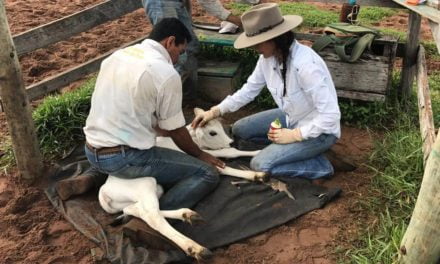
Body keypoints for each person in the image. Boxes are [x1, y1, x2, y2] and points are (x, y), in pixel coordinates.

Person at [56, 18, 225, 210]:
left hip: (92, 150)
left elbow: (146, 117)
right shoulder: (166, 73)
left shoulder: (117, 56)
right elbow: (176, 130)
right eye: (180, 51)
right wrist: (200, 154)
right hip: (124, 158)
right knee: (207, 174)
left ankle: (90, 178)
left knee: (119, 151)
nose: (179, 58)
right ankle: (154, 216)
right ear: (170, 42)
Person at [192, 3, 341, 180]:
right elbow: (248, 90)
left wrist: (295, 135)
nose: (254, 48)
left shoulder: (306, 66)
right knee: (240, 129)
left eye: (258, 42)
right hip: (291, 116)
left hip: (320, 129)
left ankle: (323, 165)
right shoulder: (267, 59)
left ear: (276, 38)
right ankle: (296, 152)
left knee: (260, 164)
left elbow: (331, 115)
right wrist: (216, 110)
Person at [142, 0, 242, 98]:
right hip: (161, 2)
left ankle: (188, 98)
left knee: (191, 46)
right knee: (176, 55)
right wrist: (238, 21)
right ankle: (164, 102)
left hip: (177, 2)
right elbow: (207, 2)